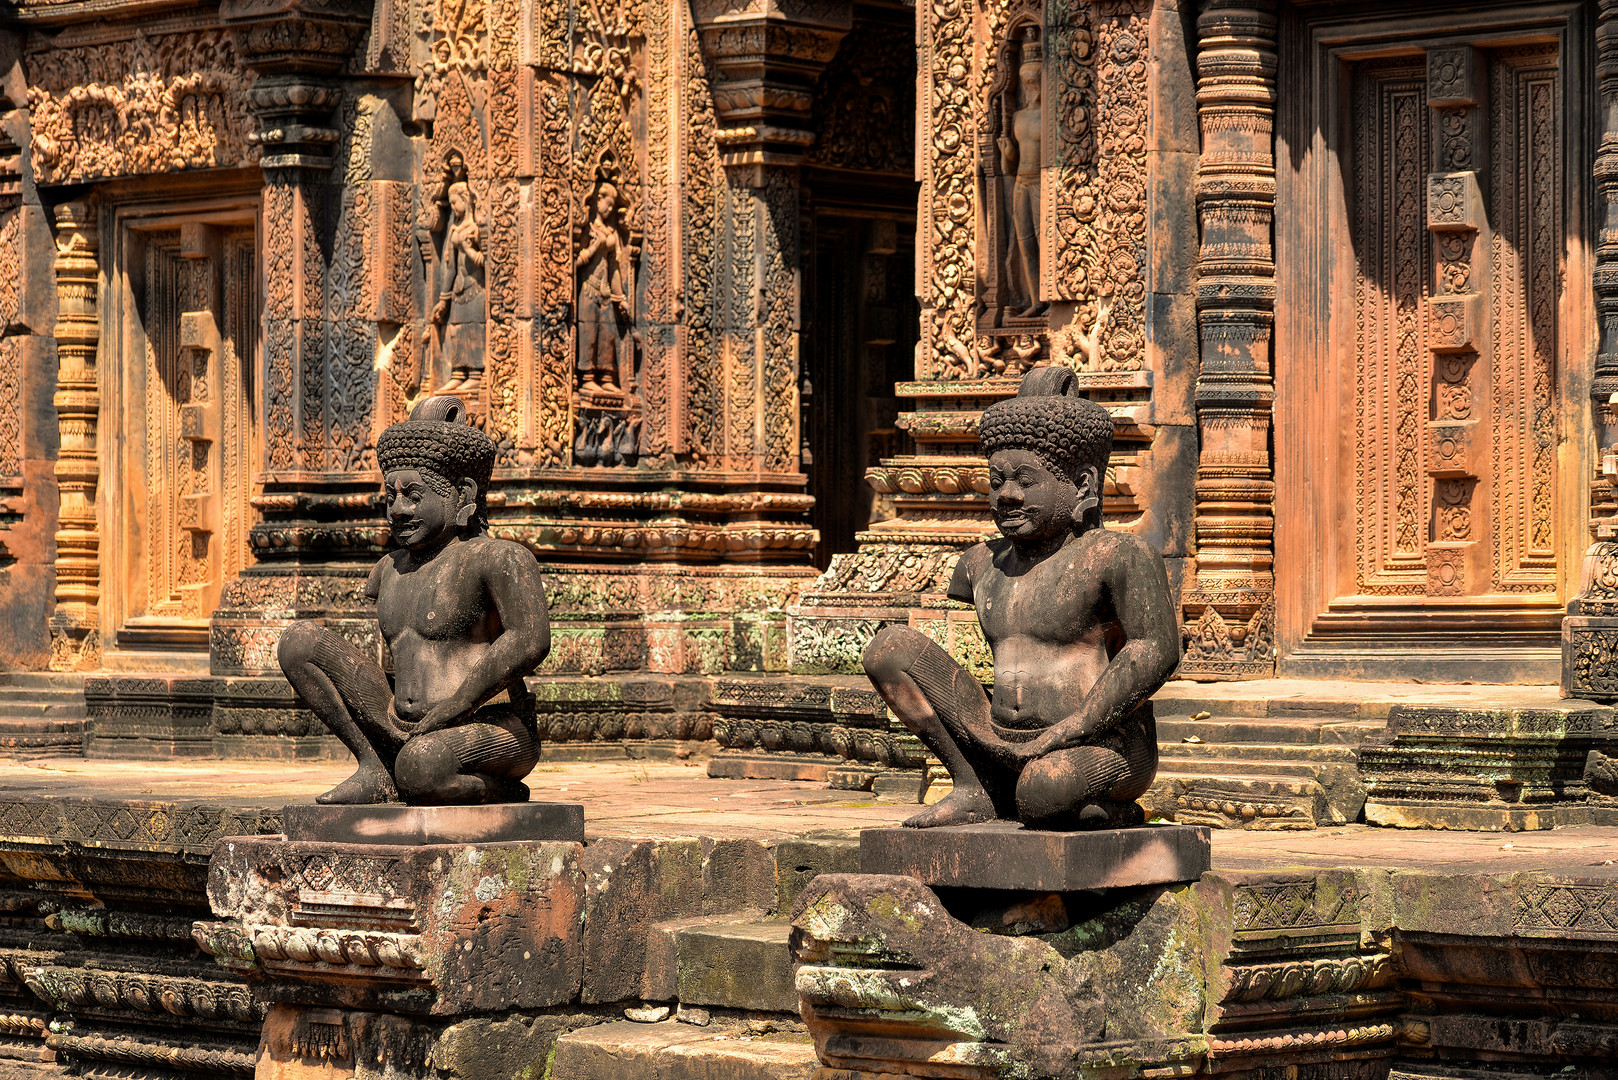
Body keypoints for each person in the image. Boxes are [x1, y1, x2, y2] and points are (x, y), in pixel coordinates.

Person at [861, 367, 1180, 828]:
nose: (1006, 495)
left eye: (1026, 481)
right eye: (997, 481)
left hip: (1101, 743)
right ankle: (977, 786)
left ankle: (1107, 807)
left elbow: (1156, 650)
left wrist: (1075, 726)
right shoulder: (979, 564)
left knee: (1041, 792)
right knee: (889, 649)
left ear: (1084, 487)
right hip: (1001, 739)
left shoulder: (1118, 556)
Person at [277, 397, 550, 805]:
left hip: (489, 725)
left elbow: (530, 639)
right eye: (391, 496)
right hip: (402, 722)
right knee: (299, 642)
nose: (398, 510)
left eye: (414, 495)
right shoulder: (389, 568)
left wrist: (459, 702)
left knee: (420, 770)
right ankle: (375, 767)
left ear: (461, 494)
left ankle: (500, 789)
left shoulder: (497, 558)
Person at [576, 181, 629, 394]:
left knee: (607, 334)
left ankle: (606, 377)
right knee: (588, 333)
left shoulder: (612, 233)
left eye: (613, 206)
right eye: (608, 204)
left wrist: (620, 296)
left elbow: (614, 268)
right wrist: (593, 248)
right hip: (588, 287)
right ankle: (587, 376)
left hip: (605, 290)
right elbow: (575, 264)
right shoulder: (589, 230)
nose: (609, 210)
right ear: (598, 200)